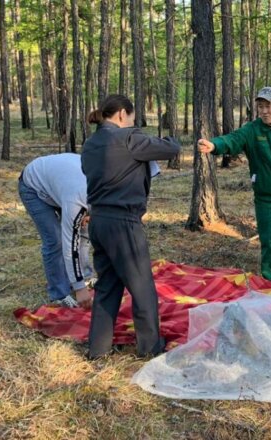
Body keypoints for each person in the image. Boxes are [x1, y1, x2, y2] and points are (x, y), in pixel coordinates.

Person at [81, 94, 182, 359]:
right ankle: (150, 347)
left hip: (98, 222)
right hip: (123, 223)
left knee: (107, 286)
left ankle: (97, 348)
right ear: (122, 114)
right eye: (133, 118)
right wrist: (171, 136)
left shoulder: (90, 143)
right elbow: (171, 149)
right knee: (142, 287)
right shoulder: (128, 139)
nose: (132, 122)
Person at [197, 86, 271, 283]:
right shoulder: (252, 130)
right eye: (260, 106)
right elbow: (233, 139)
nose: (264, 111)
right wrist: (215, 145)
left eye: (268, 106)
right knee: (269, 243)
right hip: (266, 199)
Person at [18, 153, 95, 308]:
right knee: (56, 240)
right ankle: (59, 293)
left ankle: (84, 276)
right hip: (34, 186)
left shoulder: (106, 187)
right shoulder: (77, 199)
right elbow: (69, 242)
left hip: (61, 182)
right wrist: (80, 290)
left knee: (84, 231)